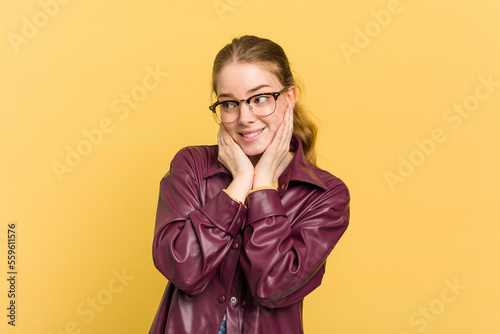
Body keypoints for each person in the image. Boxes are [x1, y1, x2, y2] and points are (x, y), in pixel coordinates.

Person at [149, 35, 350, 334]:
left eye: (259, 99)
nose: (245, 118)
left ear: (289, 98)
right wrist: (239, 185)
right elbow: (183, 269)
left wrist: (264, 187)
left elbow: (272, 286)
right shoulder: (191, 166)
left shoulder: (325, 196)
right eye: (229, 103)